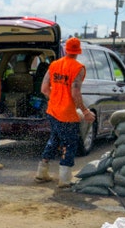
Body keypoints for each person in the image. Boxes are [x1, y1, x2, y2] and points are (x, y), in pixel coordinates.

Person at [36, 37, 94, 188]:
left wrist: (55, 98)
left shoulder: (54, 65)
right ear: (78, 51)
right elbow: (75, 93)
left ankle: (42, 171)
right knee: (69, 144)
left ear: (66, 50)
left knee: (54, 140)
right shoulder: (78, 68)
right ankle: (65, 178)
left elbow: (44, 89)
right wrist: (85, 111)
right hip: (67, 114)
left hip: (53, 110)